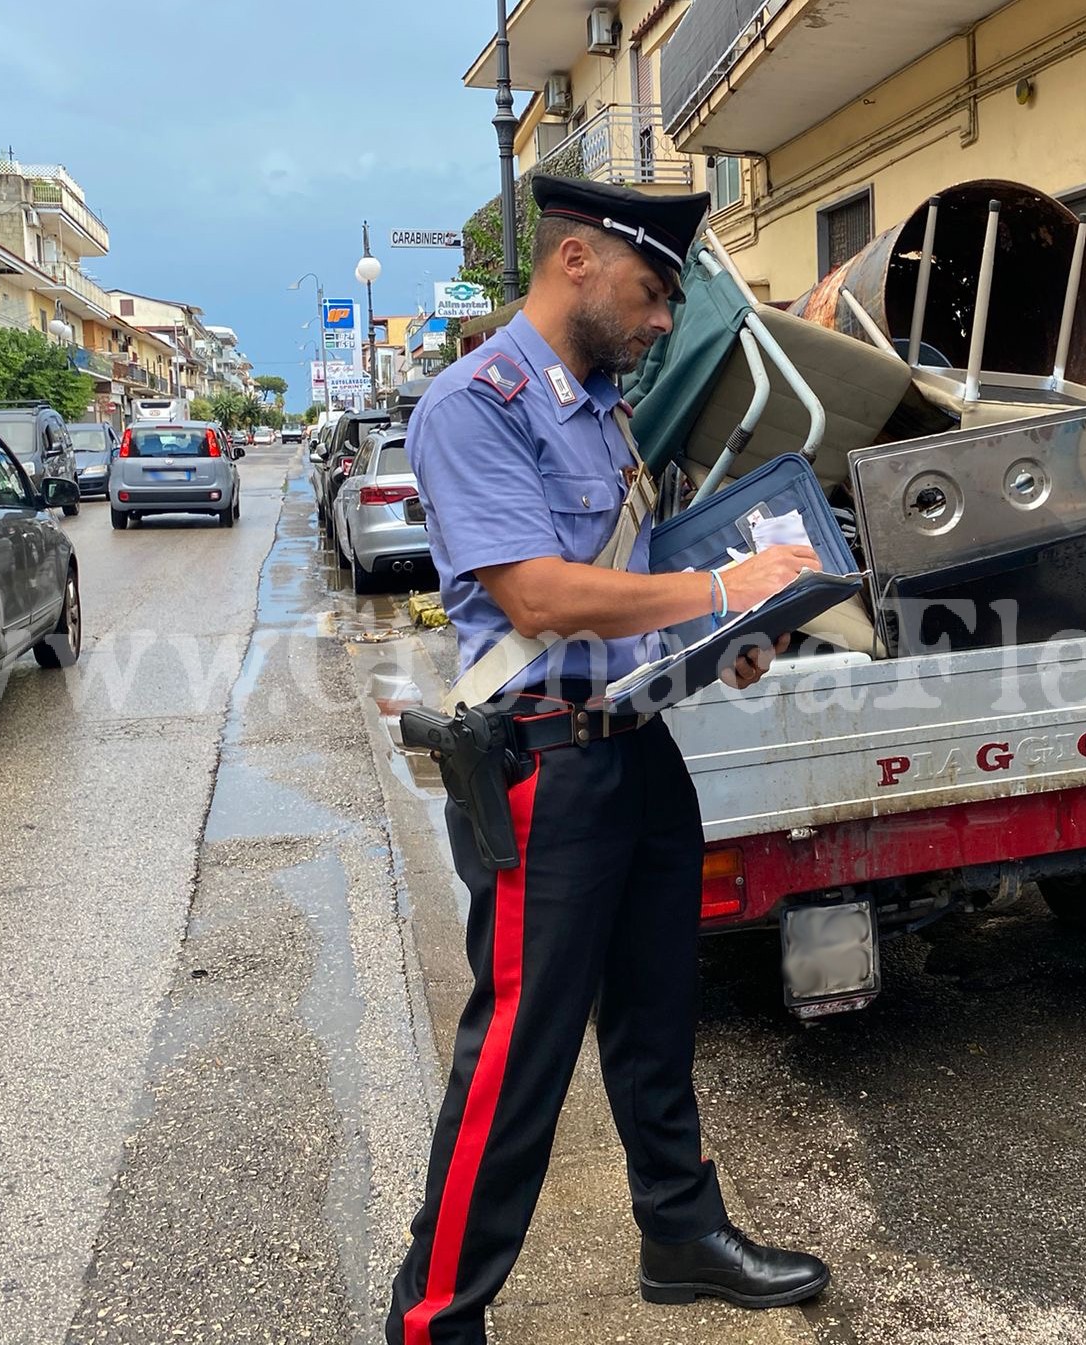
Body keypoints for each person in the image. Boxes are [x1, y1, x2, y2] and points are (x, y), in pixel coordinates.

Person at [384, 176, 831, 1345]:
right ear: (577, 261)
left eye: (669, 304)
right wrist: (728, 585)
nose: (656, 322)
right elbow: (536, 592)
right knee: (521, 1047)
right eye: (648, 293)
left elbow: (629, 593)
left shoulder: (605, 412)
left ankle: (680, 1234)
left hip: (636, 745)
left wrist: (716, 640)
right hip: (543, 767)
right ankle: (435, 1313)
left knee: (654, 1010)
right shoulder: (475, 403)